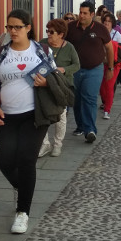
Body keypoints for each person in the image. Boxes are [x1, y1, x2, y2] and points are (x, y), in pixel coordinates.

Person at [0, 9, 56, 234]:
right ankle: (23, 186)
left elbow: (54, 78)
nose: (13, 31)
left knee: (27, 158)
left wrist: (45, 83)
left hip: (35, 114)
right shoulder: (0, 53)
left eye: (18, 26)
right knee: (5, 162)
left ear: (28, 27)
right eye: (9, 27)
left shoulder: (41, 50)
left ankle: (22, 212)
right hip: (8, 115)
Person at [65, 1, 113, 143]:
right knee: (77, 100)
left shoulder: (100, 29)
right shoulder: (71, 28)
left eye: (85, 13)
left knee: (90, 98)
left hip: (94, 69)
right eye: (80, 12)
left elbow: (109, 49)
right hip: (75, 70)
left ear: (92, 14)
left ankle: (90, 130)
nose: (81, 15)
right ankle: (80, 126)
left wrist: (110, 68)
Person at [38, 18, 79, 158]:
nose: (48, 34)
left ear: (61, 34)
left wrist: (63, 70)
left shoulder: (69, 48)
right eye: (47, 31)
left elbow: (76, 65)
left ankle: (57, 144)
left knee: (60, 116)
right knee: (42, 115)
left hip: (62, 85)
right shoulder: (42, 44)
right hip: (44, 84)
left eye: (51, 31)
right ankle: (45, 144)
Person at [99, 13, 121, 120]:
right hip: (101, 63)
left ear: (112, 23)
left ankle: (107, 110)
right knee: (101, 87)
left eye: (109, 21)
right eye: (105, 21)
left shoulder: (117, 34)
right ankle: (106, 102)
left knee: (109, 86)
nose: (106, 23)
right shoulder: (99, 33)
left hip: (114, 64)